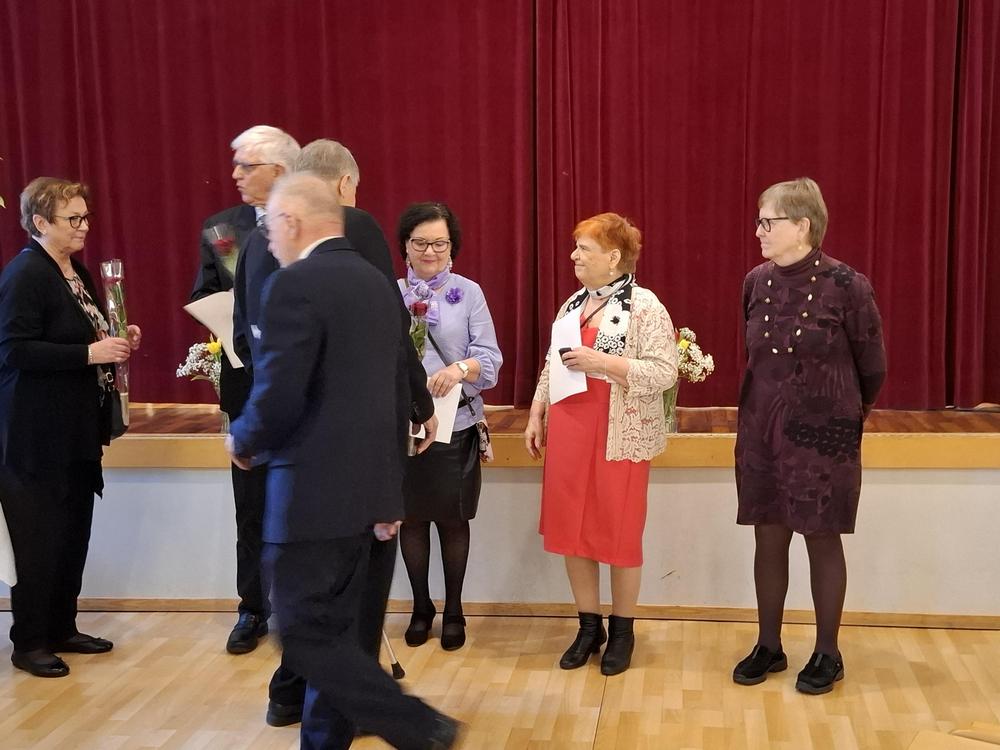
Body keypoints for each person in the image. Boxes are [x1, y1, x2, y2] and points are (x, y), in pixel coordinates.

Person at [226, 172, 461, 749]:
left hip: (311, 497)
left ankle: (418, 727)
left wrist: (244, 438)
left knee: (302, 633)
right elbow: (390, 386)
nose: (267, 241)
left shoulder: (293, 285)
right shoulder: (376, 283)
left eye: (270, 228)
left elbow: (280, 392)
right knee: (346, 637)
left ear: (291, 222)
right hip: (373, 491)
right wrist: (389, 490)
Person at [733, 177, 886, 695]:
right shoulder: (755, 281)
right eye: (758, 221)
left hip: (825, 435)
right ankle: (768, 645)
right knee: (768, 533)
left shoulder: (848, 285)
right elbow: (753, 353)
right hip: (763, 429)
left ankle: (827, 652)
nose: (758, 231)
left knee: (822, 537)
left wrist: (845, 413)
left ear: (802, 225)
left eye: (767, 222)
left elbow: (873, 365)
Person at [0, 177, 141, 678]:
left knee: (71, 532)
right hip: (36, 433)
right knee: (39, 538)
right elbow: (14, 350)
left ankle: (61, 626)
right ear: (40, 222)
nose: (83, 226)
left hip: (75, 428)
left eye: (85, 217)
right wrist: (89, 353)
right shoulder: (26, 274)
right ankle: (30, 641)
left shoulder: (73, 269)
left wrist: (115, 339)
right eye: (72, 218)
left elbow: (82, 334)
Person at [524, 213, 677, 676]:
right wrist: (536, 410)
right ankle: (588, 627)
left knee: (619, 532)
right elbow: (553, 364)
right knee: (572, 531)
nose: (573, 255)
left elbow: (664, 371)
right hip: (570, 431)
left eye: (584, 248)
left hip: (618, 437)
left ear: (613, 257)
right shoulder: (573, 304)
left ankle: (623, 630)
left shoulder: (645, 306)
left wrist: (604, 363)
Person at [196, 125, 301, 656]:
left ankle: (301, 608)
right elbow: (204, 291)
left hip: (303, 391)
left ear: (278, 171)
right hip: (245, 382)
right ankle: (252, 608)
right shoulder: (223, 227)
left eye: (246, 165)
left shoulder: (311, 220)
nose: (235, 174)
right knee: (251, 505)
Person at [396, 203, 502, 652]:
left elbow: (490, 360)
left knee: (453, 519)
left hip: (456, 423)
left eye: (439, 243)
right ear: (405, 246)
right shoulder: (390, 293)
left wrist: (459, 369)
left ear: (452, 247)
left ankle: (455, 609)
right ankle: (421, 607)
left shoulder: (469, 293)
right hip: (403, 427)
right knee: (411, 519)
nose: (430, 251)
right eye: (420, 242)